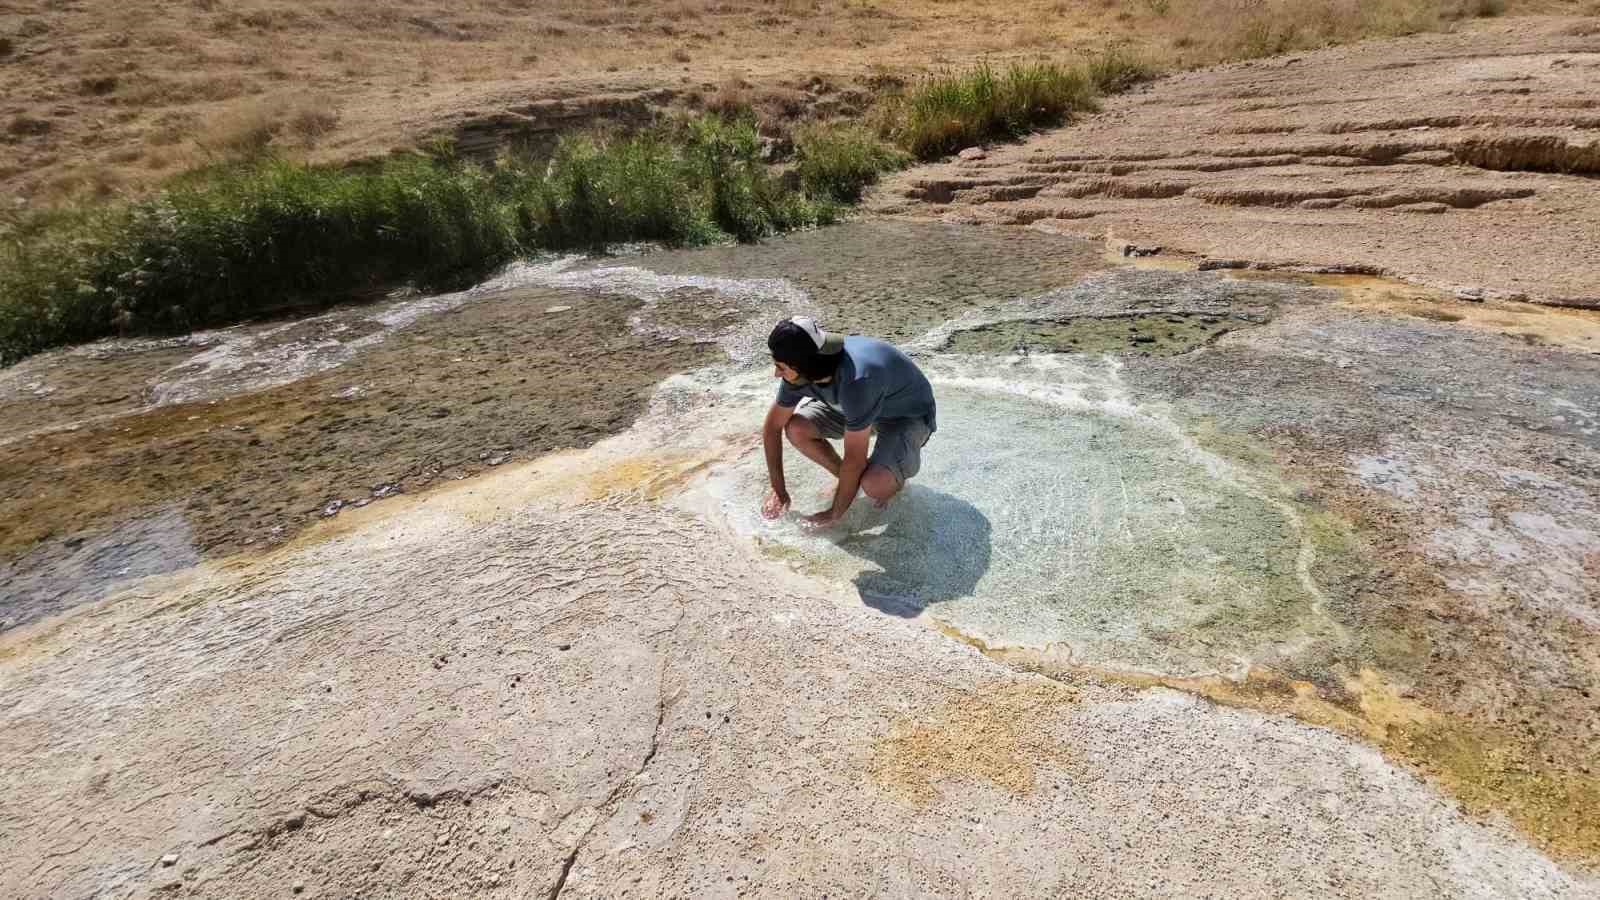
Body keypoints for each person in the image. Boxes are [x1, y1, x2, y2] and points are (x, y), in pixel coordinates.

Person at [761, 316, 937, 529]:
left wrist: (834, 514)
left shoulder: (857, 380)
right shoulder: (799, 371)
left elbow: (855, 459)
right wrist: (779, 491)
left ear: (805, 365)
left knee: (875, 484)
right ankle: (845, 480)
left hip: (905, 416)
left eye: (781, 367)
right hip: (854, 408)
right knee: (797, 428)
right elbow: (773, 428)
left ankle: (889, 478)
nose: (776, 373)